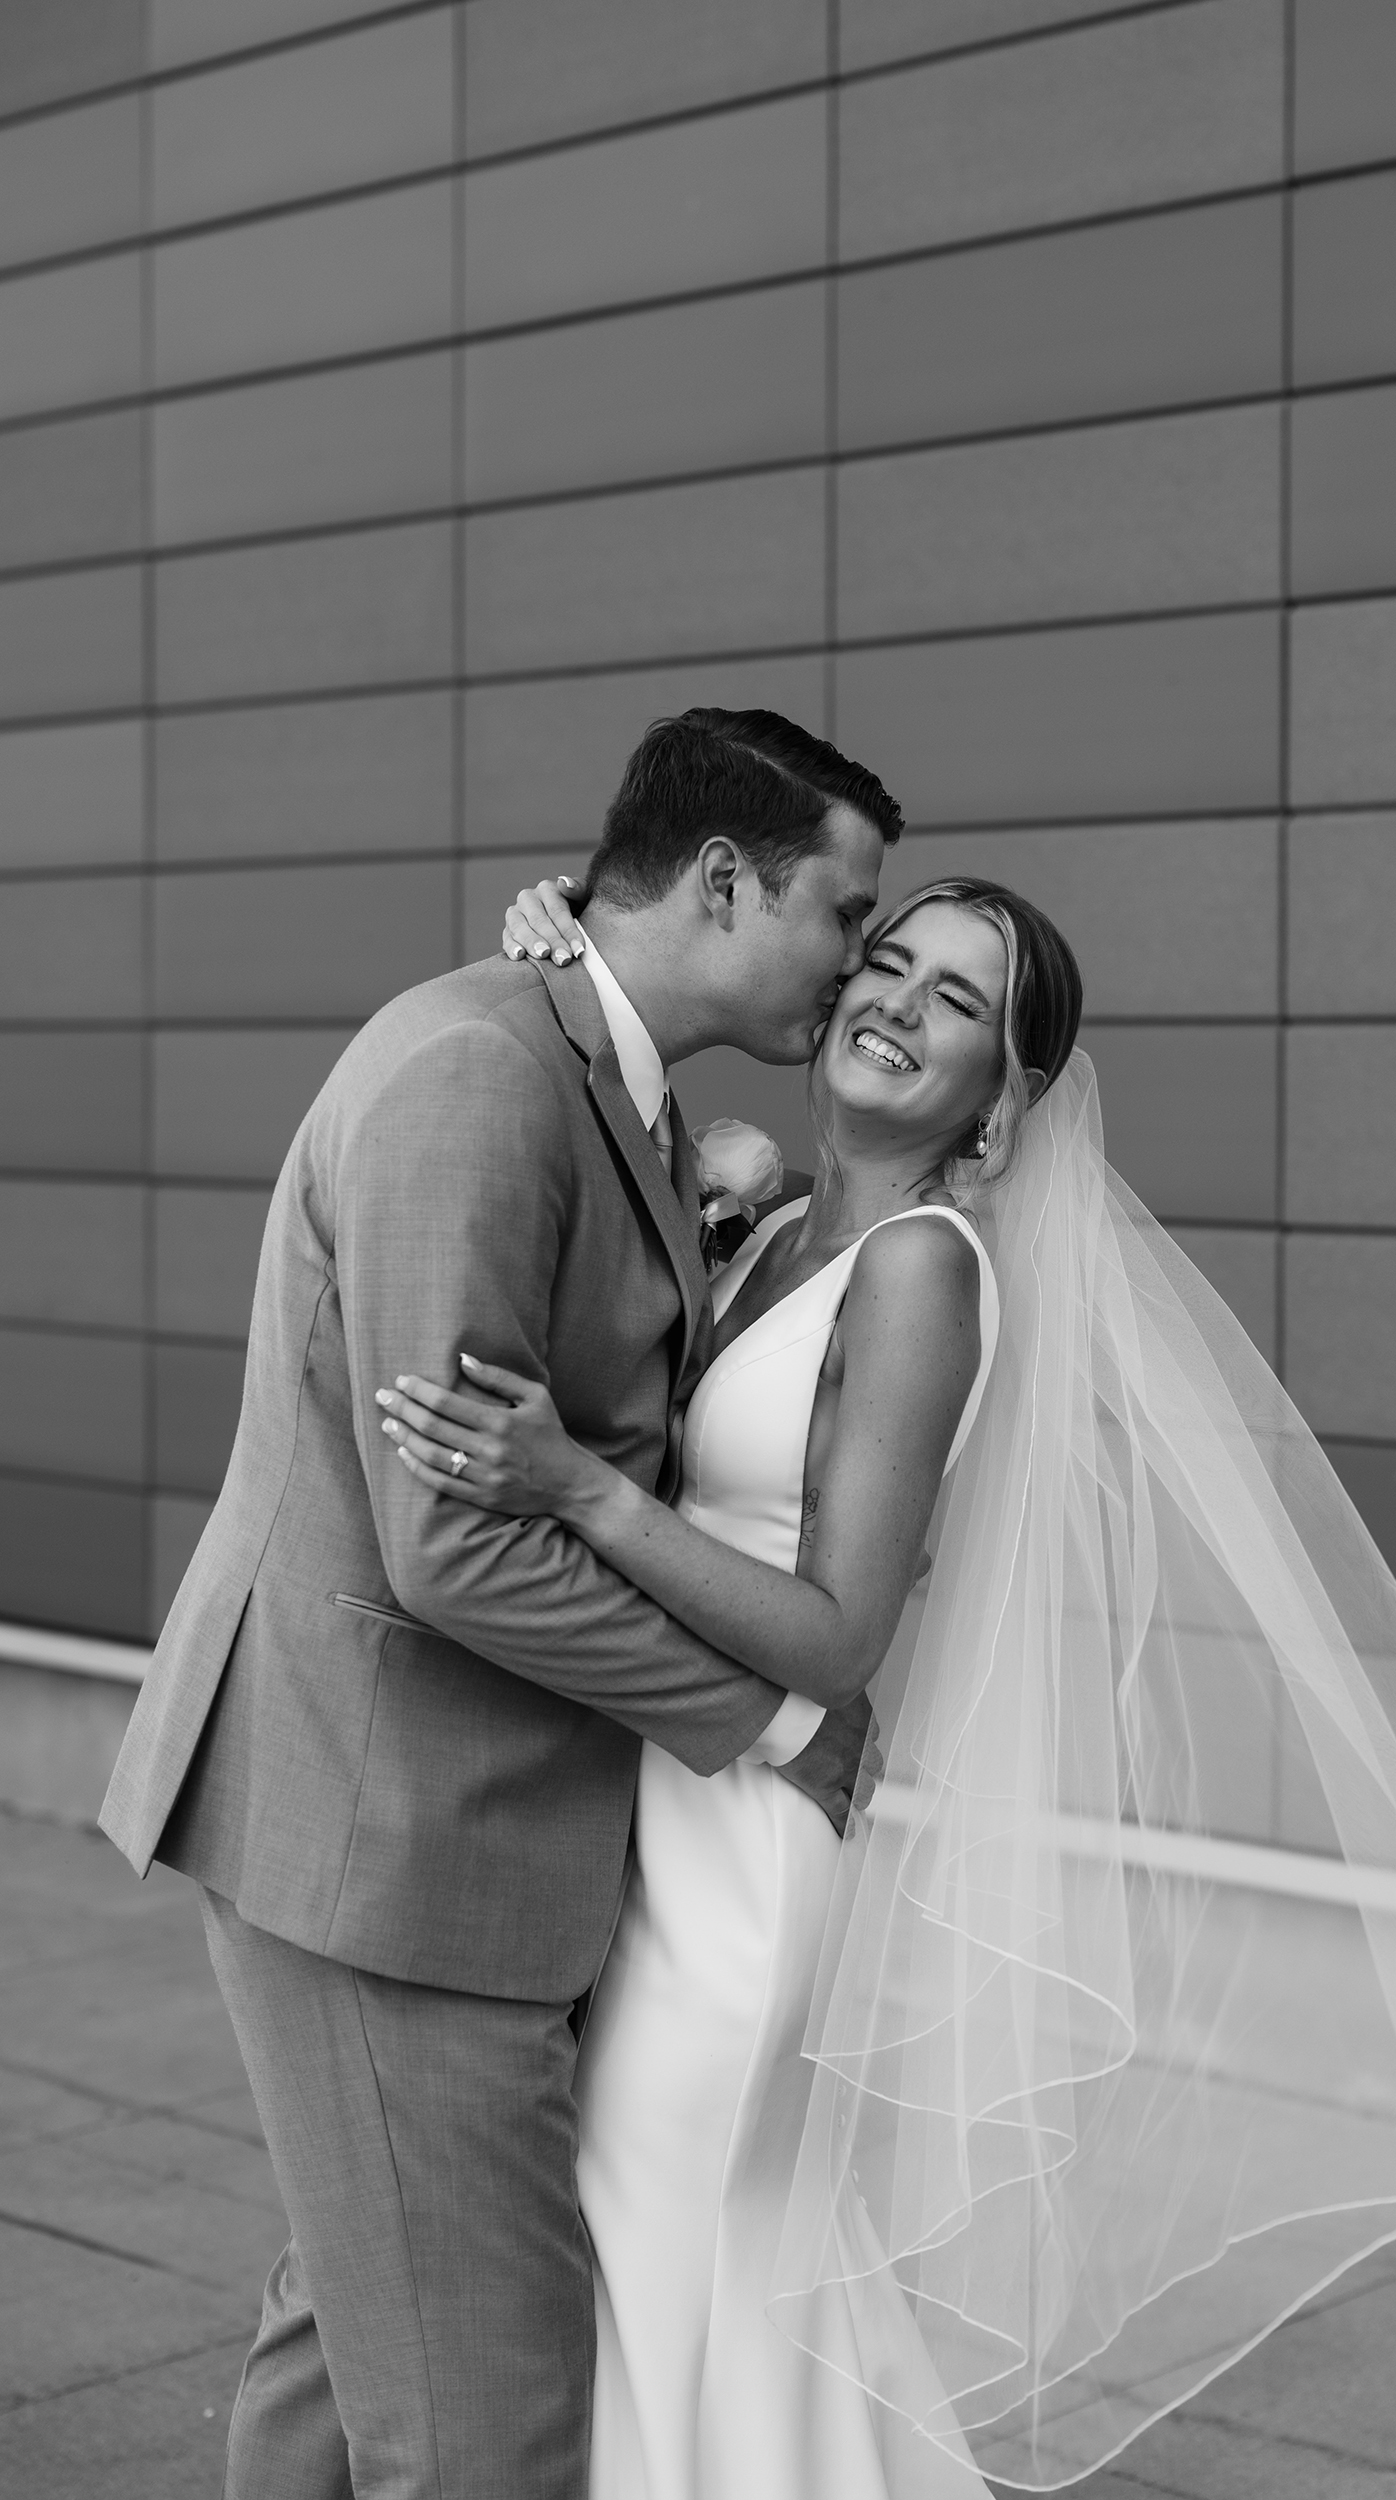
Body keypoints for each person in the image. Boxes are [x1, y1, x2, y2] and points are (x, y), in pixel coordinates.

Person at [372, 867, 1396, 2498]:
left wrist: (581, 1492)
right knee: (676, 2267)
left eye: (960, 1001)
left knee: (666, 2245)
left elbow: (838, 1629)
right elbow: (619, 1030)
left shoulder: (926, 1272)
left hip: (745, 1856)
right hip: (653, 1798)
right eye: (889, 962)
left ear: (1004, 1101)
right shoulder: (760, 1226)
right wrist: (567, 927)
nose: (900, 1004)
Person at [99, 710, 905, 2500]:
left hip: (453, 1833)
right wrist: (770, 1719)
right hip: (388, 1837)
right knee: (489, 2430)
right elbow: (450, 1541)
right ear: (719, 881)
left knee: (345, 2358)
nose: (857, 963)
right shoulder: (481, 1070)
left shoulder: (601, 1073)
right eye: (847, 914)